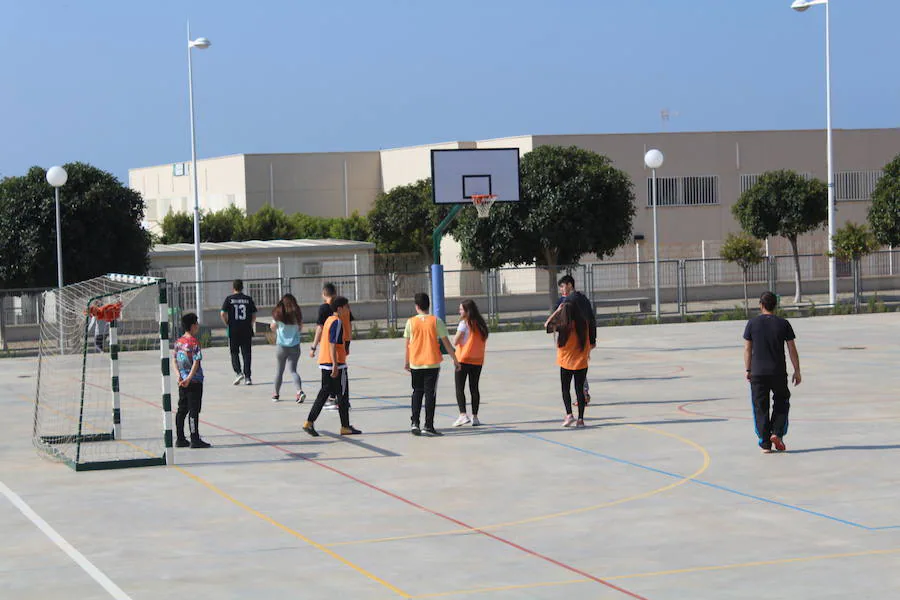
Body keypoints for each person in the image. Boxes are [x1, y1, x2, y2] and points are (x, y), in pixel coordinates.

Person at [743, 291, 801, 453]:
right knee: (782, 402)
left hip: (758, 372)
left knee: (760, 406)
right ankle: (776, 432)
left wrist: (748, 369)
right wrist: (797, 370)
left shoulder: (752, 324)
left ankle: (765, 442)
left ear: (761, 305)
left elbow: (748, 349)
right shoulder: (783, 324)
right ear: (775, 305)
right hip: (778, 371)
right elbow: (792, 349)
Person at [302, 296, 362, 437]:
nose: (348, 310)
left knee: (323, 394)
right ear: (339, 308)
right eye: (346, 307)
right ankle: (345, 426)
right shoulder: (337, 322)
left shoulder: (328, 320)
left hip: (324, 362)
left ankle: (309, 422)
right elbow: (332, 343)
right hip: (336, 364)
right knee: (342, 394)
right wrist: (335, 364)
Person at [404, 292, 459, 436]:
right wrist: (455, 359)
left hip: (415, 362)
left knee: (417, 392)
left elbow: (407, 344)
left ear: (416, 307)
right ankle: (428, 425)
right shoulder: (436, 321)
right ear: (429, 305)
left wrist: (407, 361)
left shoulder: (410, 322)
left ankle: (414, 422)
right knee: (430, 394)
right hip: (432, 363)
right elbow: (446, 344)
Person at [545, 274, 596, 405]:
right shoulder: (577, 299)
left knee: (575, 366)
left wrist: (592, 339)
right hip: (577, 339)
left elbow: (589, 319)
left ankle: (582, 395)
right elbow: (591, 320)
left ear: (569, 285)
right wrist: (592, 339)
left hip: (576, 338)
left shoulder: (573, 300)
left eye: (563, 286)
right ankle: (583, 393)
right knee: (579, 365)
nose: (561, 289)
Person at [173, 312, 211, 448]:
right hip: (194, 381)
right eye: (197, 323)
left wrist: (179, 376)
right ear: (193, 326)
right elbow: (196, 362)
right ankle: (194, 438)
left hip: (182, 381)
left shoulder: (178, 342)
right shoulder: (194, 343)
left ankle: (180, 438)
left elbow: (175, 360)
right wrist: (189, 378)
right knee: (194, 410)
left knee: (182, 409)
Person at [552, 302, 591, 428]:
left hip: (566, 362)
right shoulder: (583, 324)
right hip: (580, 361)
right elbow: (588, 340)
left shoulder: (562, 326)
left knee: (565, 389)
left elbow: (546, 325)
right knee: (579, 390)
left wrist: (557, 311)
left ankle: (569, 414)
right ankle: (580, 419)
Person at [452, 299, 488, 427]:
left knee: (459, 387)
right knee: (474, 388)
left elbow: (456, 341)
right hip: (477, 359)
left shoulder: (464, 323)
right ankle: (475, 417)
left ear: (467, 311)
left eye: (461, 309)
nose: (459, 311)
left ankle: (462, 415)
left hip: (463, 359)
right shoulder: (481, 324)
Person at [269, 293, 306, 403]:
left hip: (281, 346)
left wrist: (278, 330)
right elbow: (300, 328)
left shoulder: (279, 314)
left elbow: (272, 327)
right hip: (294, 345)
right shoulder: (297, 314)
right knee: (293, 370)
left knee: (279, 371)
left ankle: (276, 394)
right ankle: (299, 391)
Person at [220, 279, 257, 385]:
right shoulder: (248, 299)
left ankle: (238, 372)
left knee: (234, 352)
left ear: (233, 288)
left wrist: (227, 323)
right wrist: (250, 323)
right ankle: (248, 377)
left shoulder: (229, 299)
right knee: (246, 353)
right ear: (242, 288)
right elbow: (254, 314)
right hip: (246, 329)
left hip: (233, 329)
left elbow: (222, 313)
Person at [309, 283, 338, 409]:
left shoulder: (324, 308)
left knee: (327, 372)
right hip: (339, 344)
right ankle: (337, 397)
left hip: (327, 344)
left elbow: (320, 328)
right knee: (337, 371)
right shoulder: (341, 307)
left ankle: (330, 398)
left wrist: (313, 347)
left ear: (323, 294)